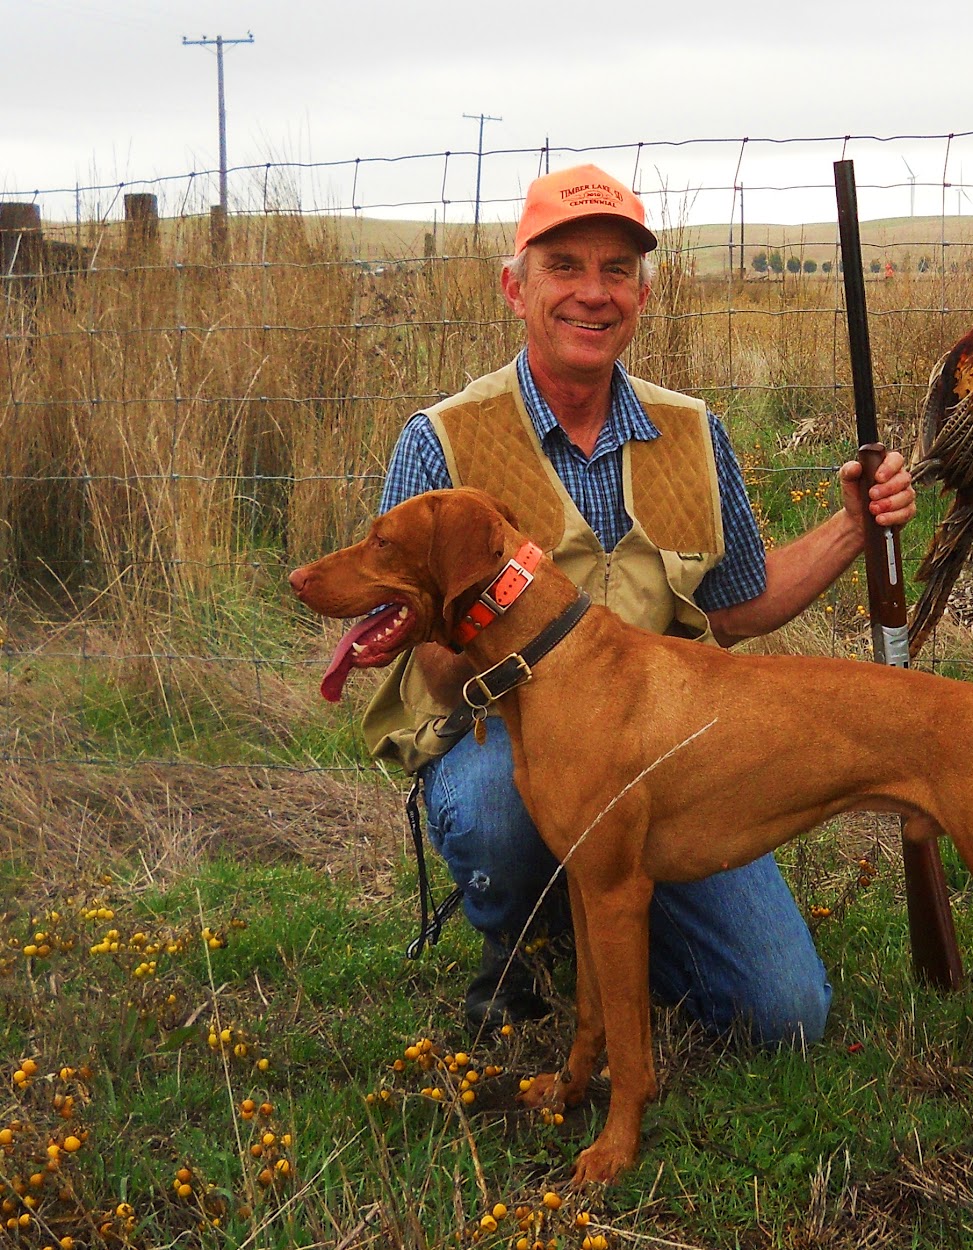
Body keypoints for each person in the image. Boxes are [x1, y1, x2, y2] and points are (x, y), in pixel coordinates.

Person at [364, 163, 916, 1043]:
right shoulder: (443, 441)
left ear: (642, 295)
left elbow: (740, 604)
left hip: (666, 754)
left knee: (785, 1015)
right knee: (503, 813)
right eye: (565, 267)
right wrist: (553, 695)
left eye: (617, 270)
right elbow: (427, 653)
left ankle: (622, 919)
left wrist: (854, 526)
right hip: (503, 737)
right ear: (516, 288)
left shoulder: (692, 431)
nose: (593, 293)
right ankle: (528, 945)